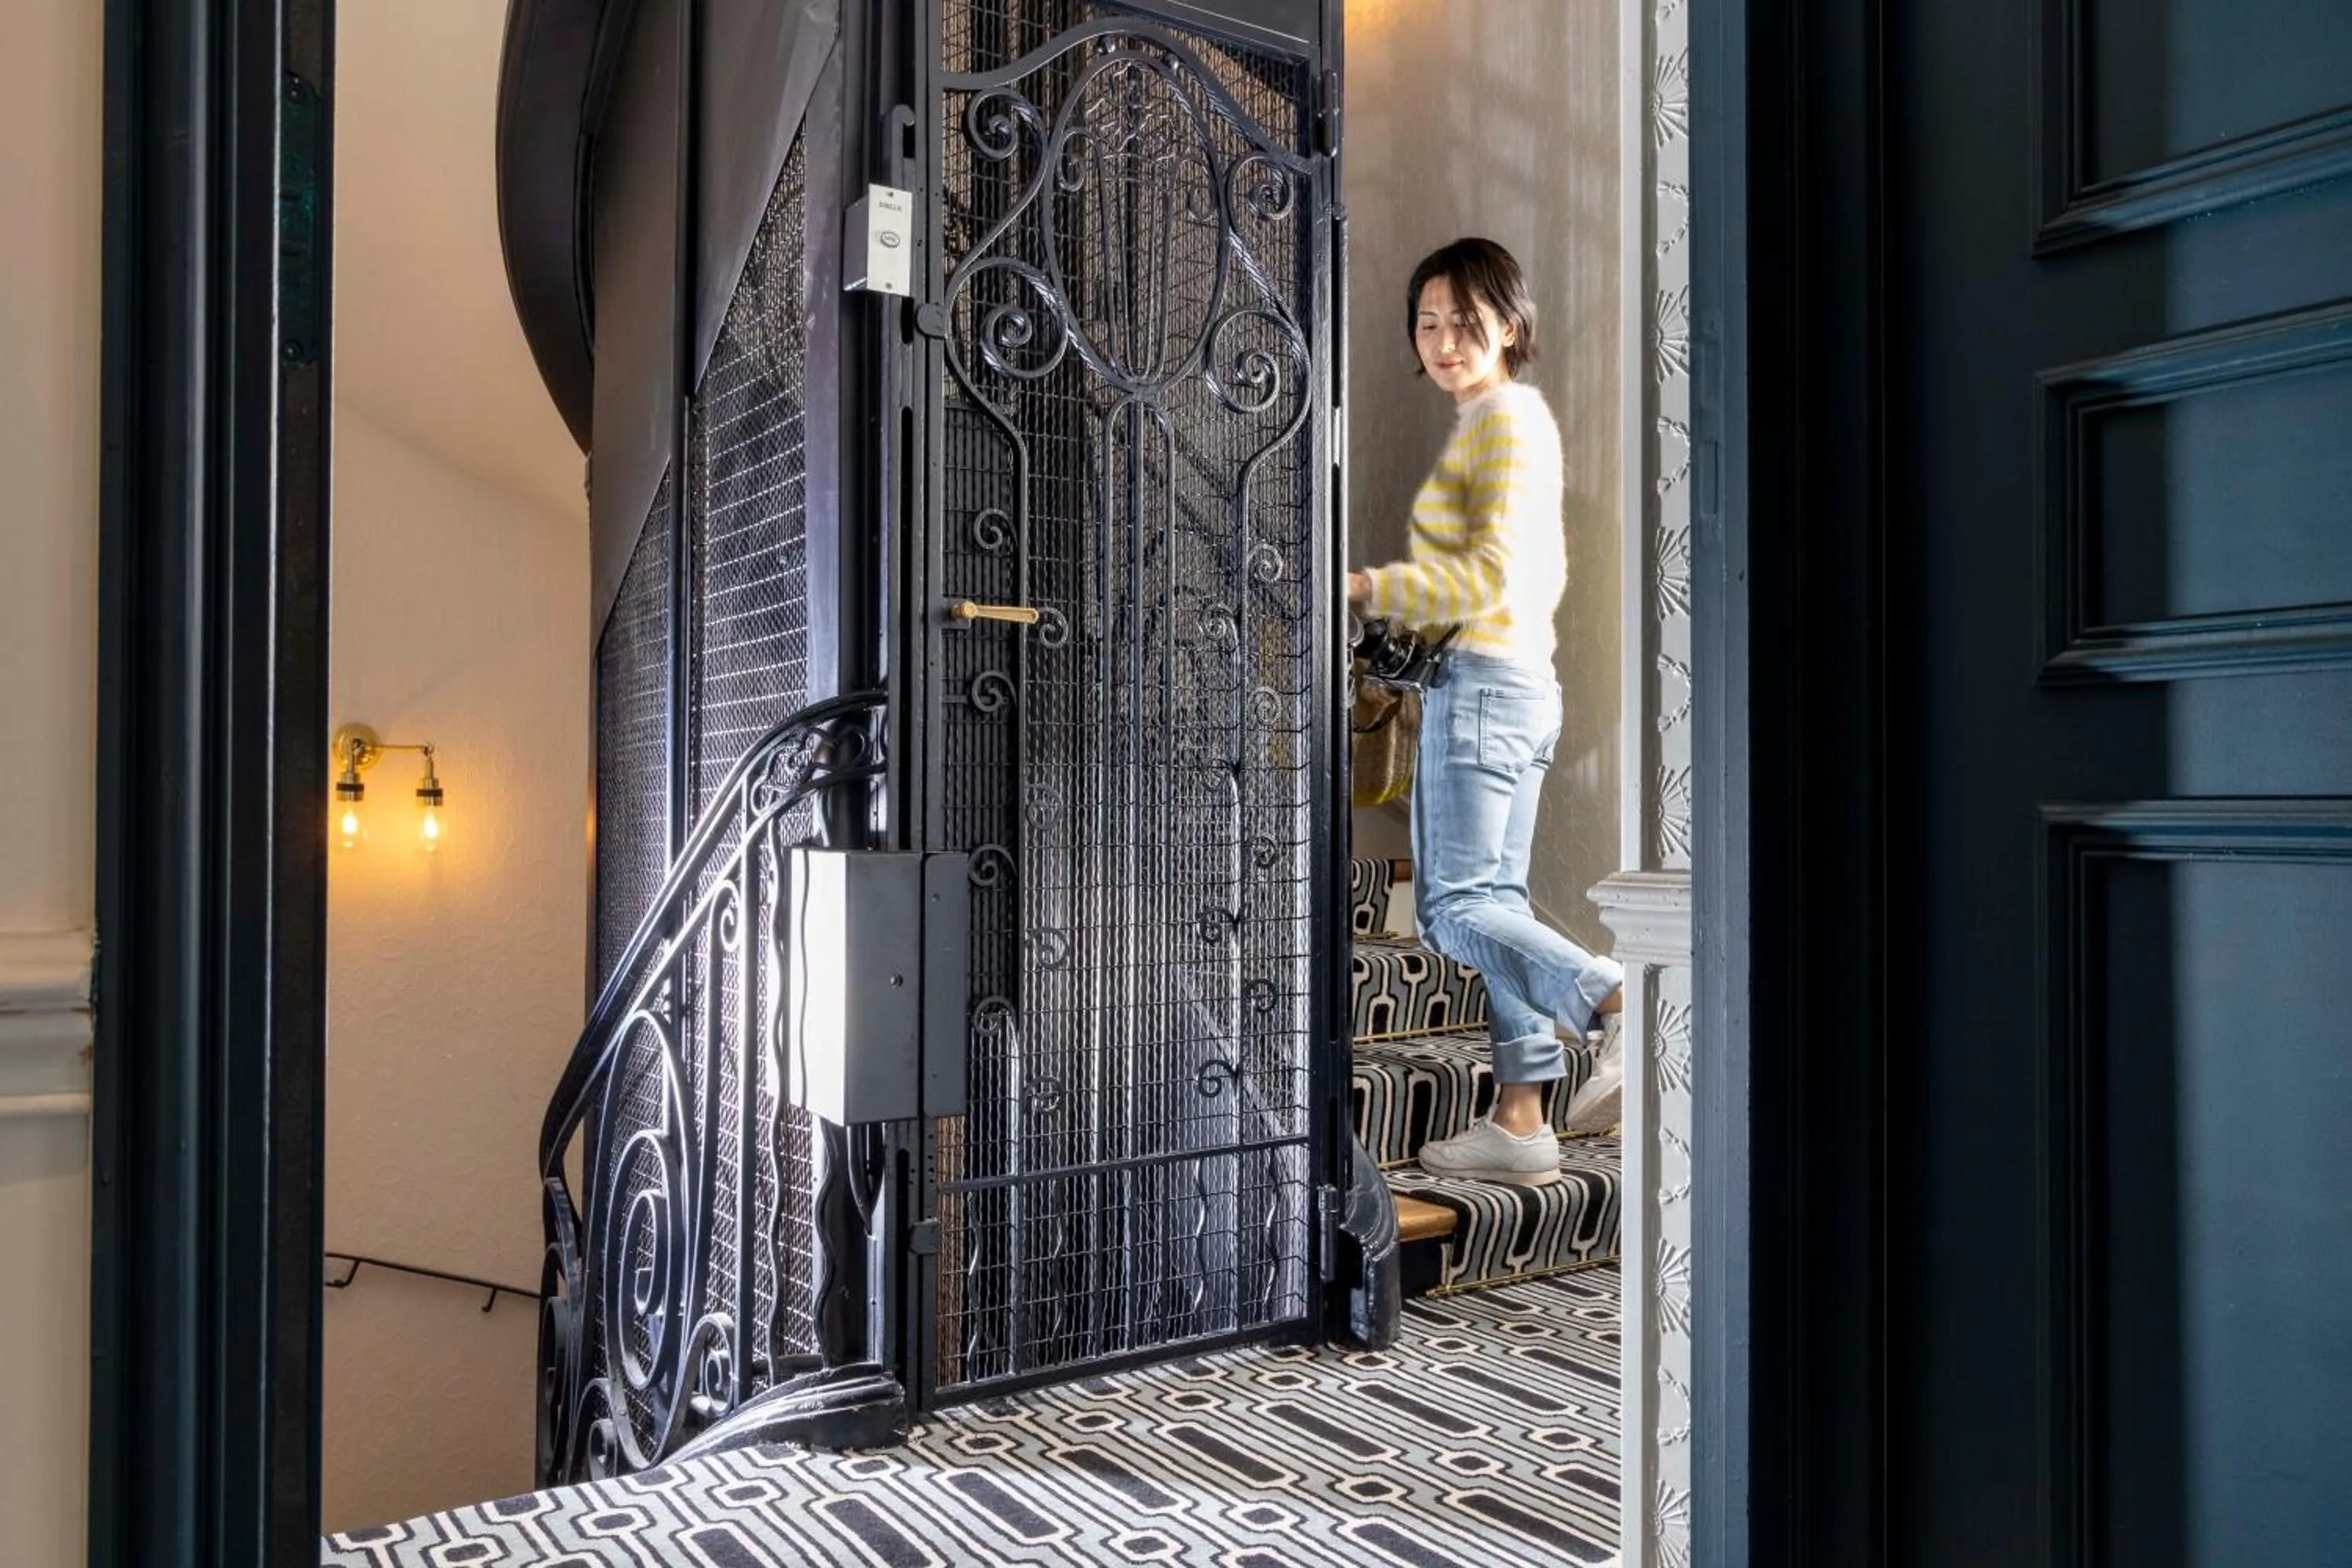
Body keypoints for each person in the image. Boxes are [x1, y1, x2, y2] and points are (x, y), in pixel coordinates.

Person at [1348, 237, 1624, 1188]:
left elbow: (1490, 571)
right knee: (1495, 902)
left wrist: (1364, 585)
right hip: (1521, 688)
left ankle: (1622, 1000)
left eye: (1466, 321)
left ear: (1511, 323)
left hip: (1486, 690)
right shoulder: (1509, 422)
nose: (1443, 338)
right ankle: (1520, 1117)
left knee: (1454, 907)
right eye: (1428, 322)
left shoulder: (1500, 424)